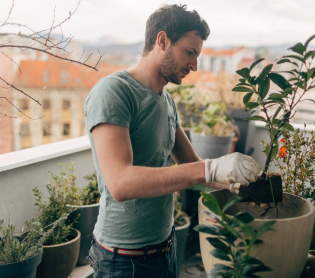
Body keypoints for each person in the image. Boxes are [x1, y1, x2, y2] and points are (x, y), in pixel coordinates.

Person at [84, 4, 260, 278]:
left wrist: (240, 182)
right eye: (190, 52)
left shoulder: (167, 102)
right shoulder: (114, 92)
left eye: (197, 55)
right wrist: (212, 168)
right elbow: (120, 183)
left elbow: (193, 167)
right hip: (122, 261)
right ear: (162, 40)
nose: (195, 65)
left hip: (165, 250)